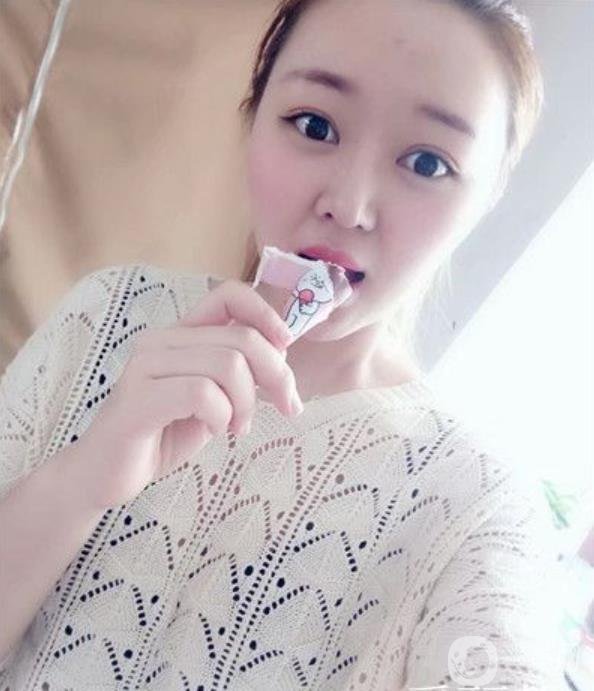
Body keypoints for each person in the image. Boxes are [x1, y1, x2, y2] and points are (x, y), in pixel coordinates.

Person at [0, 0, 566, 689]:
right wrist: (82, 477)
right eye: (314, 124)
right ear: (253, 116)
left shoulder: (478, 505)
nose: (348, 204)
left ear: (488, 196)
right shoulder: (107, 315)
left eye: (427, 162)